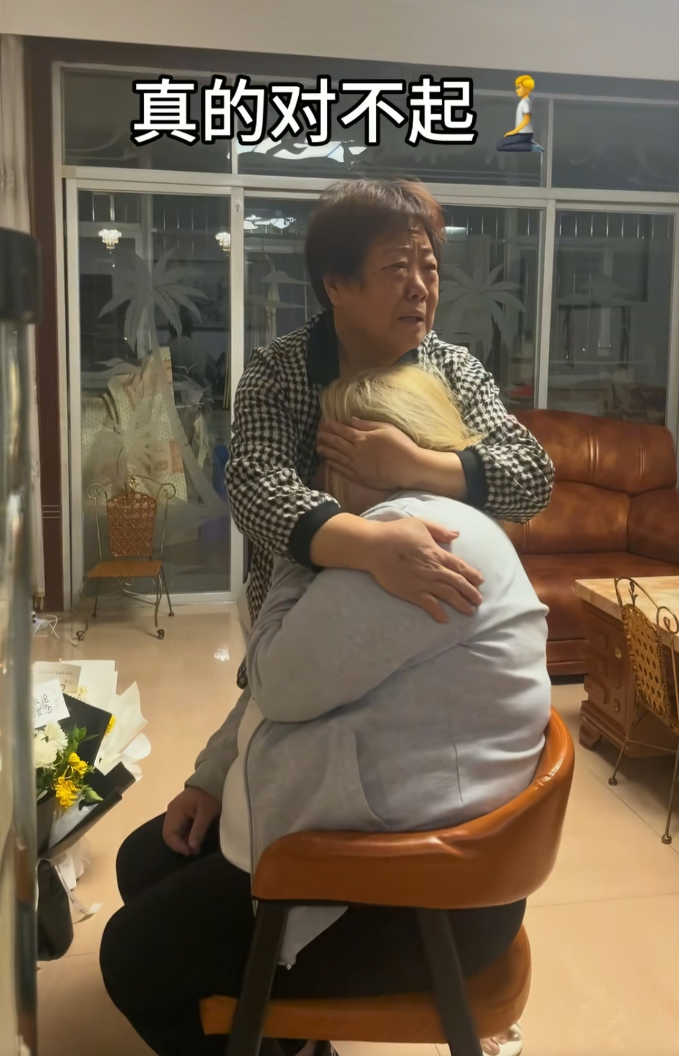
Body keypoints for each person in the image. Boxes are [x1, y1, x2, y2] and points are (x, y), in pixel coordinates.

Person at [100, 365, 551, 1056]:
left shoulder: (414, 540)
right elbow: (279, 690)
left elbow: (276, 681)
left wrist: (304, 541)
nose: (314, 478)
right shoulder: (407, 532)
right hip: (416, 856)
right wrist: (212, 779)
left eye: (326, 456)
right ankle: (293, 1039)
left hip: (416, 895)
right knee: (144, 860)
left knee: (131, 958)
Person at [229, 178, 554, 689]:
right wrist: (374, 546)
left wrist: (410, 464)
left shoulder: (454, 368)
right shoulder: (281, 370)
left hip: (434, 641)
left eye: (429, 268)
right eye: (397, 268)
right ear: (336, 284)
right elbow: (255, 488)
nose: (420, 287)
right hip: (308, 638)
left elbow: (532, 477)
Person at [496, 75, 544, 153]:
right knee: (500, 144)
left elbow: (526, 119)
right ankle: (529, 145)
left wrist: (514, 131)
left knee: (500, 145)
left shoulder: (525, 103)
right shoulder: (523, 102)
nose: (517, 90)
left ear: (527, 89)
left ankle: (531, 147)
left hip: (524, 134)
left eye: (519, 87)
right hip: (522, 133)